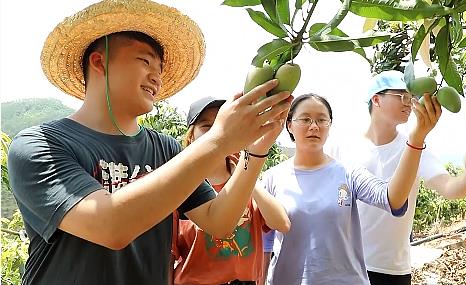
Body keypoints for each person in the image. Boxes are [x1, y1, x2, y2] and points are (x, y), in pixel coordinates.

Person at [6, 1, 292, 284]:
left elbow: (218, 221)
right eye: (145, 61)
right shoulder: (39, 145)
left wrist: (256, 150)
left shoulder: (166, 149)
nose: (157, 76)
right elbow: (110, 226)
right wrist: (219, 139)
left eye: (160, 67)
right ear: (99, 61)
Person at [327, 70, 466, 285]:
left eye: (411, 97)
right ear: (376, 99)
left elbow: (449, 187)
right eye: (402, 96)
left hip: (391, 268)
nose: (409, 103)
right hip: (344, 264)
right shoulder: (341, 147)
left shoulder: (415, 147)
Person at [263, 92, 441, 284]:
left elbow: (392, 199)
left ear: (329, 126)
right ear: (289, 125)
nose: (314, 126)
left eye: (322, 120)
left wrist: (416, 139)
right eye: (305, 119)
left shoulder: (349, 173)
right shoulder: (273, 178)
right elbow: (264, 240)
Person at [172, 97, 291, 285]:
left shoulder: (245, 184)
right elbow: (169, 256)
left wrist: (247, 177)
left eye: (223, 124)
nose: (217, 132)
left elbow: (282, 223)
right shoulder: (180, 187)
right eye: (206, 126)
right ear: (191, 136)